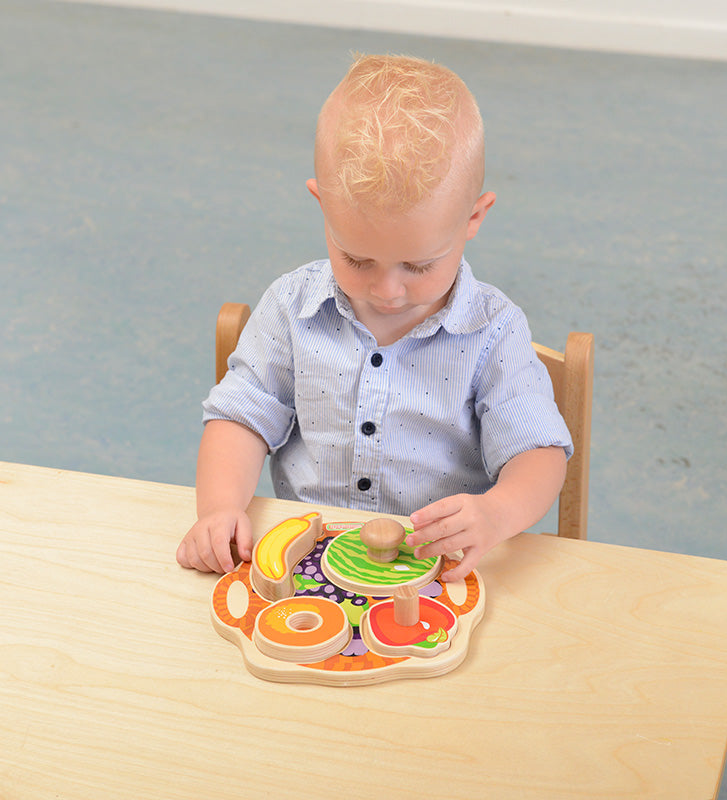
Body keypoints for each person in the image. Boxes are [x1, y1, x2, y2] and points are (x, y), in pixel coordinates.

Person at [176, 54, 572, 580]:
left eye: (419, 265)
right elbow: (240, 419)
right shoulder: (291, 309)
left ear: (474, 217)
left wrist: (495, 513)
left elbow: (538, 453)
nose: (388, 290)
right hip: (311, 563)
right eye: (357, 259)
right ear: (323, 207)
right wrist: (219, 508)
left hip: (441, 567)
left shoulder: (492, 330)